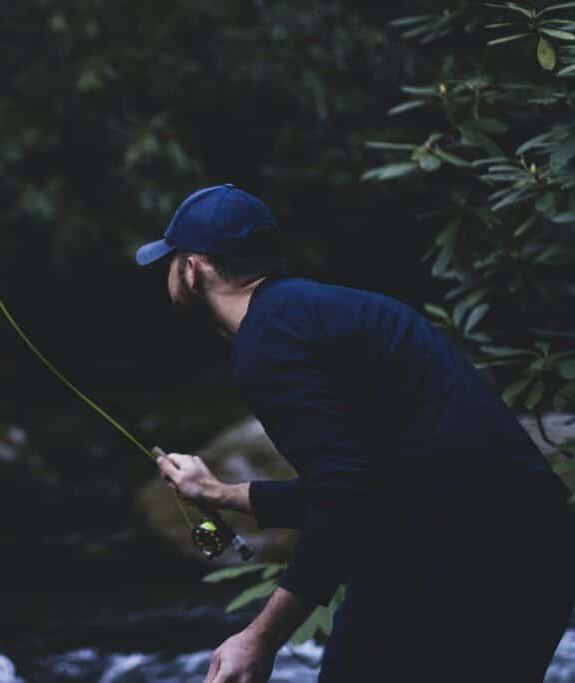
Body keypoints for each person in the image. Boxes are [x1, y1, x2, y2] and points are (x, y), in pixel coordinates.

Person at [135, 184, 575, 683]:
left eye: (169, 263)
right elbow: (365, 481)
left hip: (462, 560)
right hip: (535, 548)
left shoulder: (266, 343)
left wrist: (260, 638)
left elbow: (345, 497)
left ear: (193, 270)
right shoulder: (318, 314)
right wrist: (222, 493)